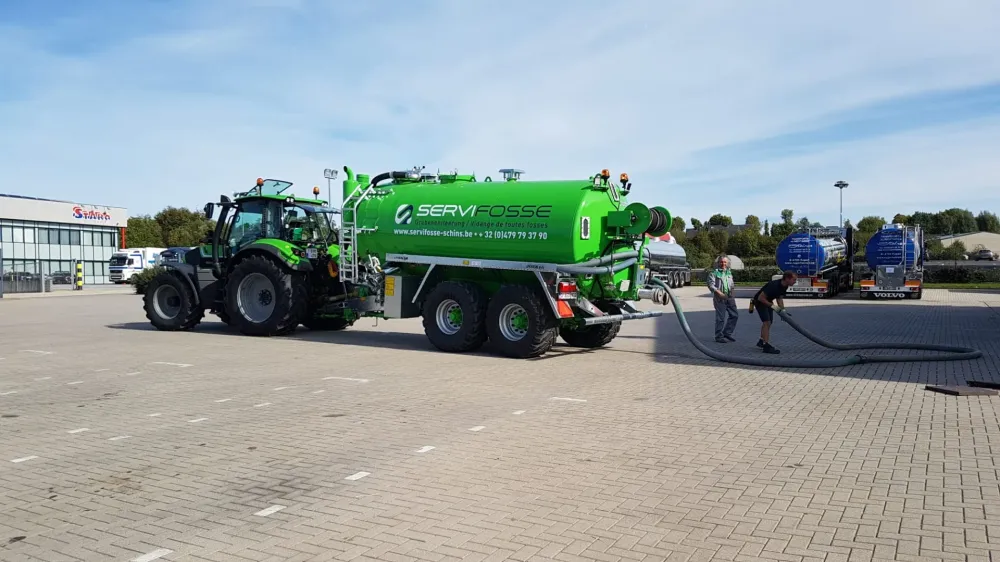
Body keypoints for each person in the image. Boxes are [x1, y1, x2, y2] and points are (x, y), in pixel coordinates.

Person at [752, 270, 797, 354]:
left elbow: (779, 298)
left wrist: (783, 311)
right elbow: (760, 298)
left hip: (768, 301)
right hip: (759, 302)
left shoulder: (784, 286)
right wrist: (773, 306)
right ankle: (766, 346)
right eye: (794, 280)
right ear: (787, 278)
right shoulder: (774, 285)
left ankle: (761, 341)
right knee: (767, 322)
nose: (795, 282)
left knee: (769, 322)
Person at [706, 255, 738, 343]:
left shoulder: (729, 273)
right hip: (719, 298)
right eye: (721, 262)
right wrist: (719, 293)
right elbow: (711, 285)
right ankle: (718, 336)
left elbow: (732, 285)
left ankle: (727, 333)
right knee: (720, 318)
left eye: (724, 262)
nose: (723, 264)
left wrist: (732, 293)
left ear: (727, 263)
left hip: (729, 298)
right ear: (718, 263)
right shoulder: (714, 273)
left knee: (734, 315)